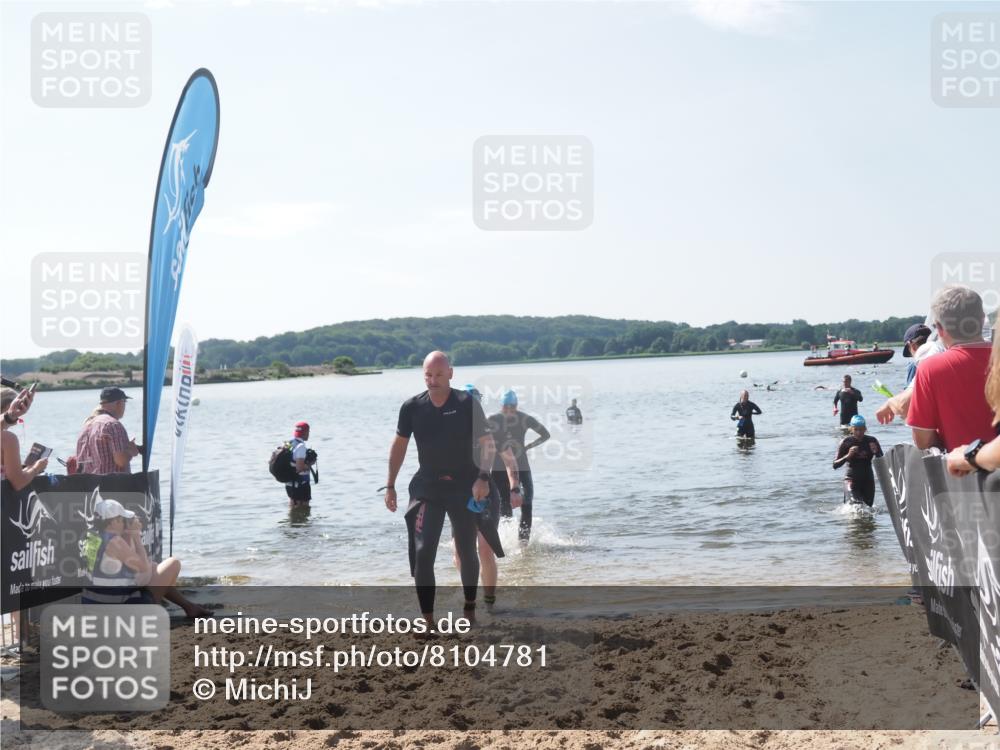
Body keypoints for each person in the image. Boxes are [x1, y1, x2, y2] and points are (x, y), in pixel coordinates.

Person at [384, 352, 497, 627]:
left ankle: (469, 608)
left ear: (450, 373)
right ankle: (428, 620)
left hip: (464, 486)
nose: (432, 381)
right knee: (423, 552)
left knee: (467, 550)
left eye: (438, 375)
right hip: (428, 488)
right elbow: (399, 445)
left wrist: (483, 478)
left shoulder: (466, 403)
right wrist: (391, 484)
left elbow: (487, 444)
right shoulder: (412, 407)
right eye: (427, 375)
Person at [452, 385, 518, 608]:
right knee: (460, 552)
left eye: (474, 402)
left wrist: (515, 487)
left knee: (485, 548)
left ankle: (489, 600)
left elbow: (510, 461)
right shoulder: (449, 426)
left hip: (487, 494)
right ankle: (469, 594)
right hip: (458, 497)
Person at [908, 285, 994, 452]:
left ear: (939, 329)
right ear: (983, 319)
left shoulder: (929, 369)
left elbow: (923, 440)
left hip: (964, 473)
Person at [81, 499, 185, 605]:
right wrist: (136, 536)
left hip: (92, 603)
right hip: (112, 607)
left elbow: (129, 567)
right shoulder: (114, 542)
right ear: (113, 522)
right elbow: (143, 568)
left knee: (153, 567)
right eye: (122, 520)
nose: (124, 523)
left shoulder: (91, 536)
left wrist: (128, 535)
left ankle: (189, 607)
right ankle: (154, 611)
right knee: (173, 563)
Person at [490, 389, 551, 543]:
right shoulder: (497, 419)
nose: (509, 410)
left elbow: (546, 434)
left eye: (512, 406)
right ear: (502, 406)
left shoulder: (522, 419)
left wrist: (529, 446)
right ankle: (509, 542)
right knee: (505, 506)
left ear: (516, 405)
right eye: (506, 407)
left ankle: (520, 544)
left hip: (517, 467)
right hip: (501, 468)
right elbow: (480, 440)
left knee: (525, 505)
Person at [875, 323, 943, 424]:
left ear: (912, 345)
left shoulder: (915, 366)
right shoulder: (946, 355)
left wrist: (892, 403)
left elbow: (907, 407)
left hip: (930, 426)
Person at [75, 388, 141, 475]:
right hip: (113, 485)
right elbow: (120, 460)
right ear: (119, 403)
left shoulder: (86, 426)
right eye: (125, 402)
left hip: (90, 486)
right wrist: (132, 451)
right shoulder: (113, 425)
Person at [0, 387, 48, 490]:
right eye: (19, 406)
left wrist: (24, 469)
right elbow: (18, 483)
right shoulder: (7, 439)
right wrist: (36, 467)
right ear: (8, 407)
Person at [833, 415, 883, 507]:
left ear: (865, 429)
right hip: (851, 480)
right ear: (851, 429)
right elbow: (835, 465)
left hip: (868, 480)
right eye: (856, 429)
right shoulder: (846, 442)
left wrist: (876, 452)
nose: (859, 432)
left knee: (868, 508)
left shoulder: (872, 441)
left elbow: (882, 461)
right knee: (856, 505)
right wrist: (847, 456)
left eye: (861, 429)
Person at [285, 421, 316, 507]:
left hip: (289, 482)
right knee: (304, 507)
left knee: (293, 505)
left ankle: (293, 520)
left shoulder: (289, 443)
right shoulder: (301, 446)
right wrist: (310, 464)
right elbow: (299, 468)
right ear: (306, 432)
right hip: (300, 483)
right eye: (308, 432)